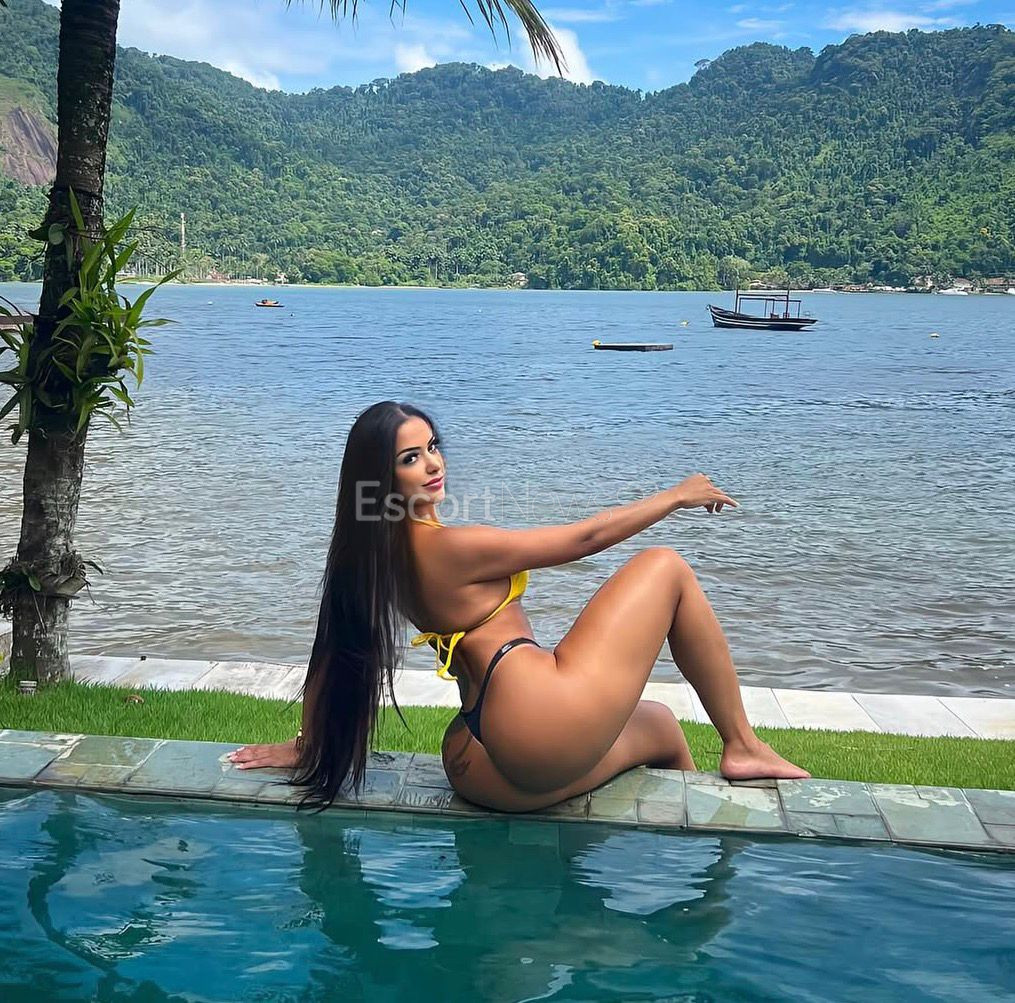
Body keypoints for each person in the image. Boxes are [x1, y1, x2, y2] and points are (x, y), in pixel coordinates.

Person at [227, 400, 808, 813]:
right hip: (535, 726)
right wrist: (677, 495)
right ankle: (741, 745)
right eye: (410, 458)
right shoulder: (451, 549)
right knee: (666, 567)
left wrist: (309, 746)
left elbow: (335, 650)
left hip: (472, 760)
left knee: (658, 724)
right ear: (380, 477)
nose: (433, 464)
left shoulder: (379, 558)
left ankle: (656, 847)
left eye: (433, 447)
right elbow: (584, 539)